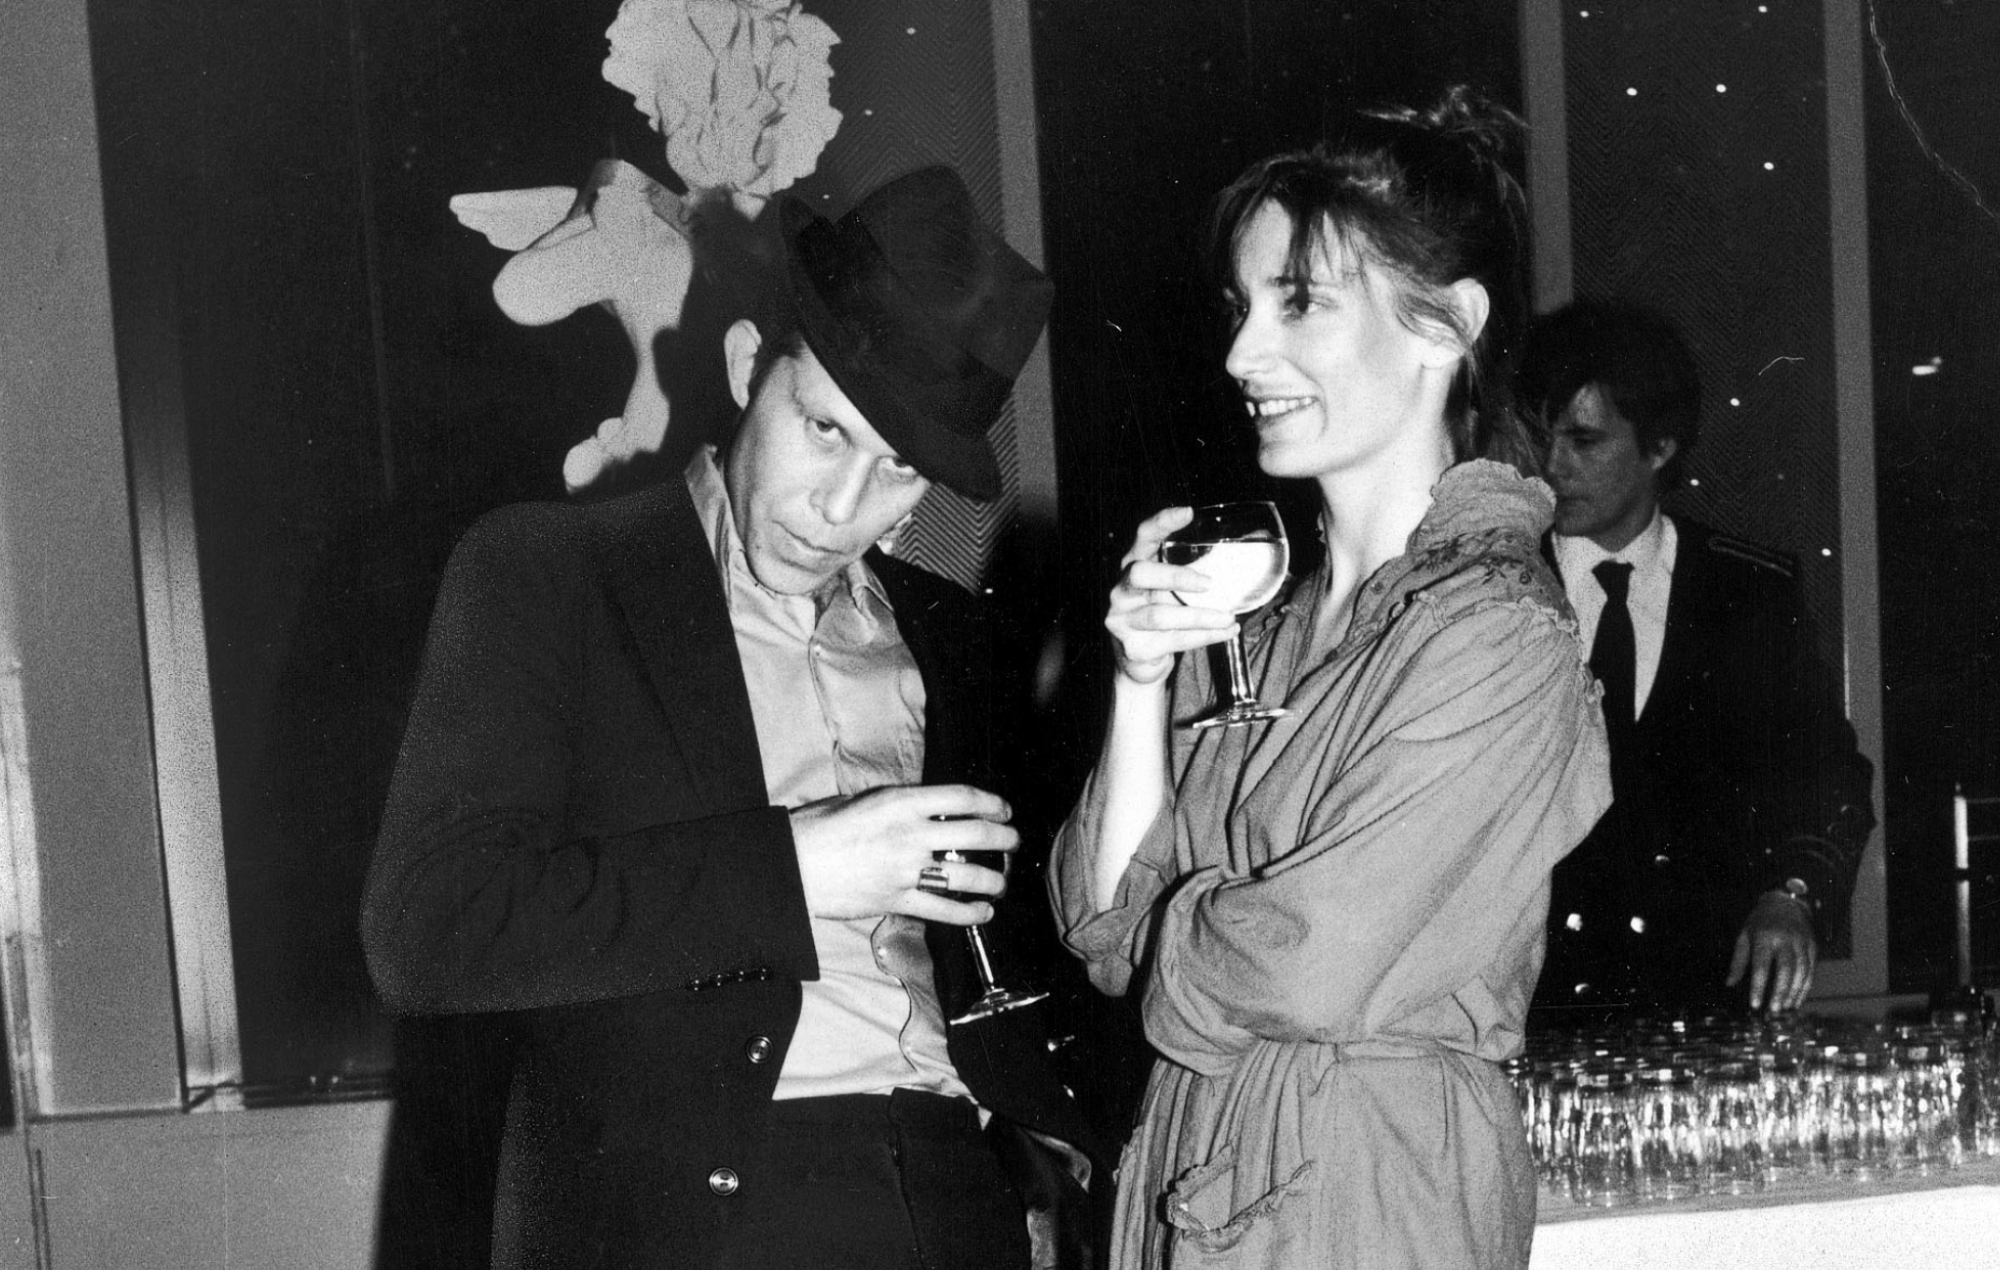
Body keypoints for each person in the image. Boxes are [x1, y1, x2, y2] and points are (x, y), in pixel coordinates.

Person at [362, 165, 1098, 1270]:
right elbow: (427, 931)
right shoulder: (551, 574)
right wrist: (794, 873)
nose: (839, 510)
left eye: (898, 475)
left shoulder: (954, 636)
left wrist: (1046, 1129)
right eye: (823, 431)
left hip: (952, 1201)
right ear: (750, 364)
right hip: (700, 1219)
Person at [1047, 89, 1612, 1269]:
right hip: (1198, 1158)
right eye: (1241, 306)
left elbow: (1304, 962)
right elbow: (1104, 931)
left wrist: (1169, 933)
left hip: (1368, 1178)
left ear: (1443, 323)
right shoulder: (1266, 622)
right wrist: (1142, 676)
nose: (1242, 352)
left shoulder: (1497, 632)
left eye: (1297, 303)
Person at [1519, 298, 1876, 1018]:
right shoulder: (1494, 585)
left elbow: (1824, 771)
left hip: (1702, 1001)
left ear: (1660, 447)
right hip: (1524, 1009)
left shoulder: (1750, 593)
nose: (1550, 468)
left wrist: (1794, 893)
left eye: (1584, 441)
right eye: (1543, 438)